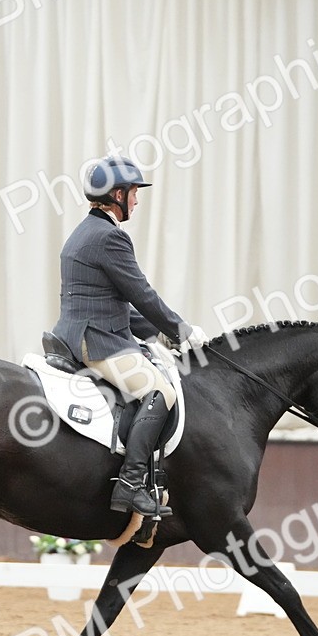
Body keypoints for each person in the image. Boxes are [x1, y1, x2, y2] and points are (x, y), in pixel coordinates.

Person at [51, 156, 209, 518]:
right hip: (97, 342)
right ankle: (131, 484)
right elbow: (142, 294)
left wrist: (156, 333)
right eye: (134, 193)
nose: (137, 201)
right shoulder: (110, 237)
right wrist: (181, 330)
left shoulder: (83, 233)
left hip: (86, 330)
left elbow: (109, 303)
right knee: (161, 391)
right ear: (118, 195)